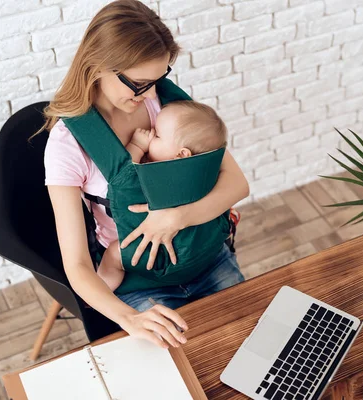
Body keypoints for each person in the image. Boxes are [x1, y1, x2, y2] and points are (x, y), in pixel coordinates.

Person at [39, 0, 249, 350]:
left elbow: (236, 183)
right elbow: (76, 265)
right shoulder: (68, 146)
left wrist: (174, 218)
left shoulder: (160, 106)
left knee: (253, 346)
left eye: (158, 79)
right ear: (98, 66)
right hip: (140, 282)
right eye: (139, 83)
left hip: (204, 254)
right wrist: (128, 318)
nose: (151, 94)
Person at [97, 100, 229, 291]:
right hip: (199, 247)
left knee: (113, 254)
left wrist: (136, 145)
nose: (150, 134)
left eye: (157, 135)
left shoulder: (160, 173)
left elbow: (123, 176)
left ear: (181, 155)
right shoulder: (205, 172)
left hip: (159, 251)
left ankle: (102, 291)